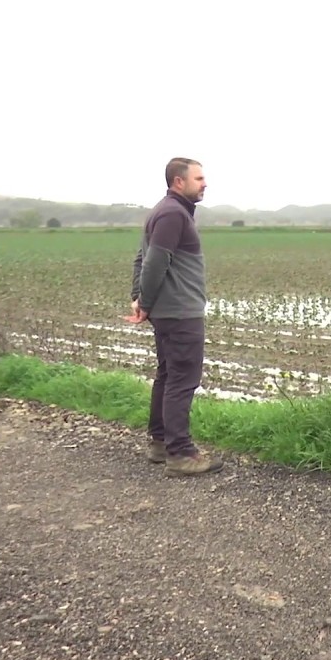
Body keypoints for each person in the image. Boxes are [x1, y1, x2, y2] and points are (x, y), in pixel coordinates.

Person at [128, 157, 223, 477]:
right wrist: (144, 302)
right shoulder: (172, 214)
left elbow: (141, 258)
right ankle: (180, 454)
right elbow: (153, 262)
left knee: (168, 375)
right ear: (178, 182)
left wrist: (139, 298)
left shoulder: (165, 211)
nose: (205, 183)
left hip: (169, 311)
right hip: (180, 312)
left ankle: (160, 443)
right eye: (199, 178)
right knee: (182, 379)